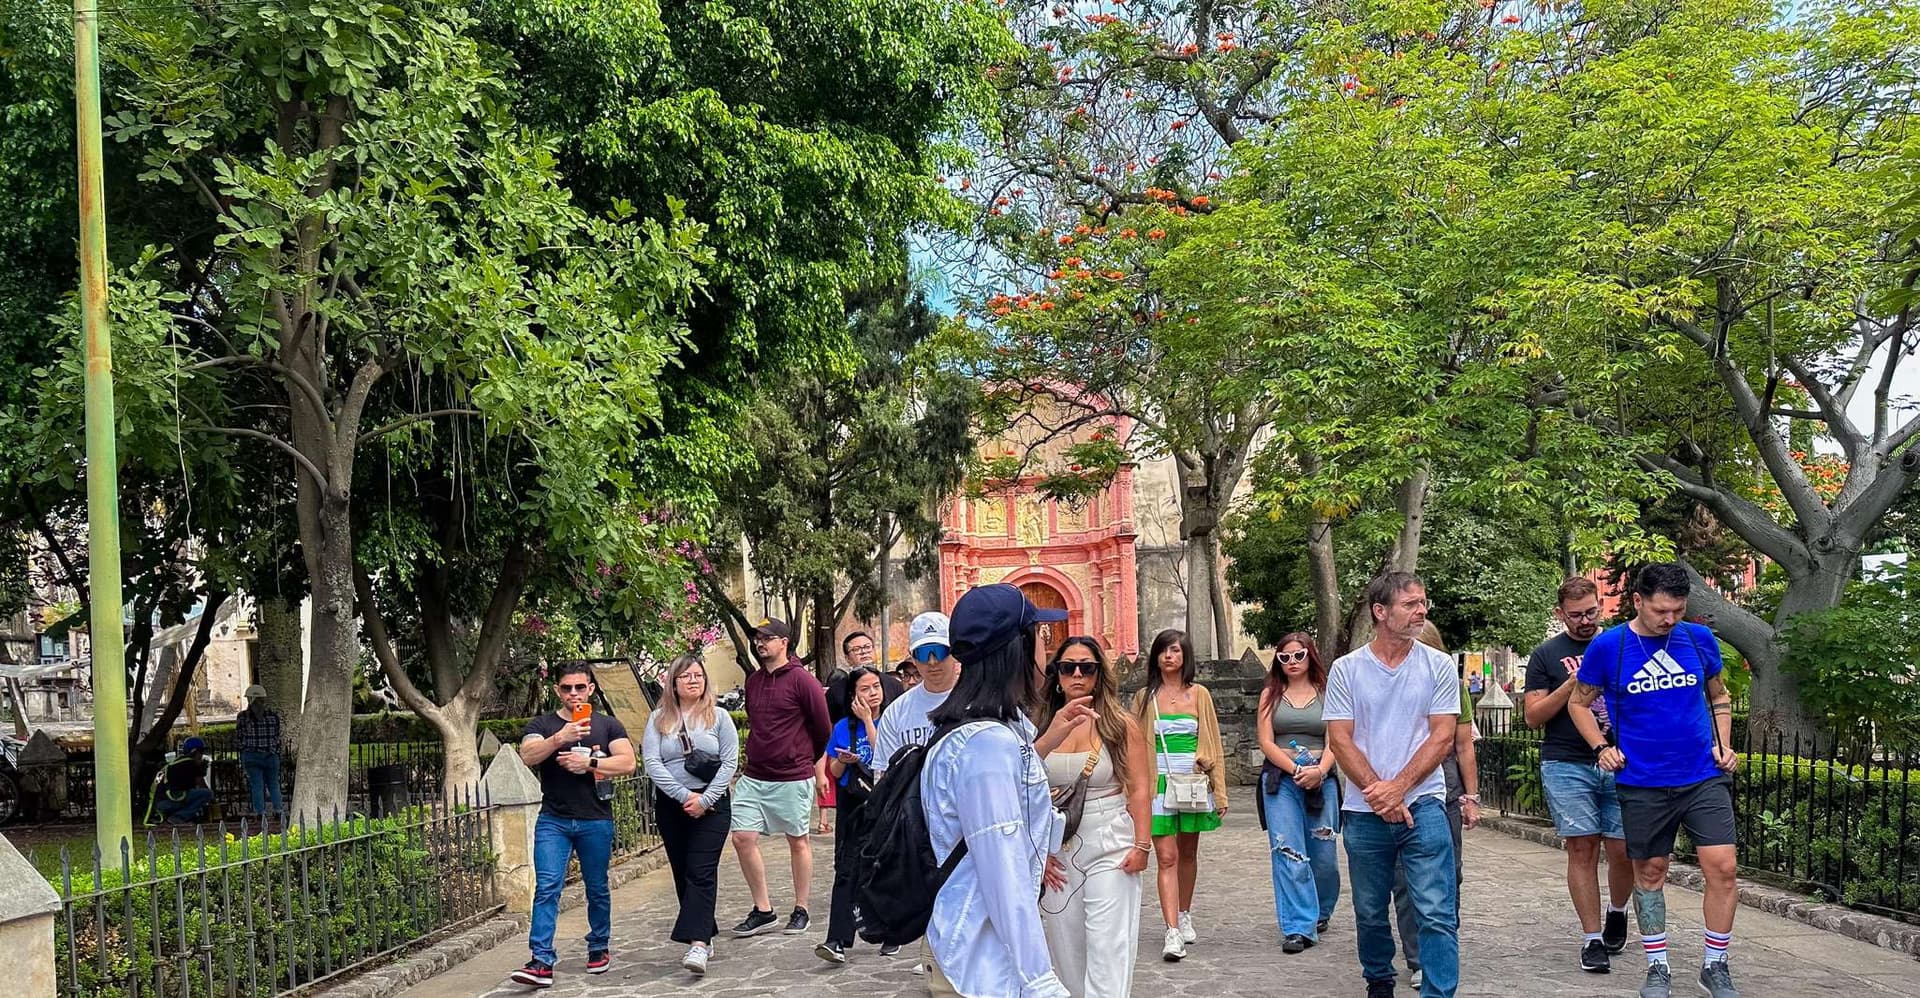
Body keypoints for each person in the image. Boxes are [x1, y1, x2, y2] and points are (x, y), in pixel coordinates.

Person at [1570, 563, 1741, 998]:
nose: (1669, 620)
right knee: (1650, 871)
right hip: (1643, 780)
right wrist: (1600, 747)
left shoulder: (1698, 640)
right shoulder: (1611, 647)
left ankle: (1715, 964)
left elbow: (1719, 697)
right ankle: (1658, 966)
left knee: (1723, 867)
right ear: (1638, 601)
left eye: (1678, 610)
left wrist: (1724, 744)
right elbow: (1578, 703)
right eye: (1661, 611)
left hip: (1703, 774)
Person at [921, 583, 1070, 997]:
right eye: (1042, 637)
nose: (1048, 652)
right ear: (1018, 649)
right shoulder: (986, 746)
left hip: (987, 951)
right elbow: (1003, 869)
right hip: (981, 963)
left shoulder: (993, 733)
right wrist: (1040, 981)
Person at [1325, 571, 1461, 998]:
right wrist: (1378, 792)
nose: (1421, 611)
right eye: (1410, 604)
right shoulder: (1347, 670)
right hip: (1363, 811)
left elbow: (1442, 736)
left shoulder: (1438, 665)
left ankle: (1438, 992)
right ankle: (1379, 981)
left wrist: (1398, 788)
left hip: (1423, 805)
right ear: (1380, 612)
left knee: (1437, 910)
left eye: (1423, 603)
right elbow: (1340, 739)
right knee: (1369, 911)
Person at [1033, 637, 1152, 997]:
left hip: (1109, 837)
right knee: (1064, 948)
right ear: (1057, 676)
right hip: (1056, 845)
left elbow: (1141, 787)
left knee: (1107, 945)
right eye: (1068, 668)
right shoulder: (1040, 723)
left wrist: (1142, 844)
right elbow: (1022, 780)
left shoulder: (1119, 724)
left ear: (1100, 674)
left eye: (1088, 667)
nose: (1078, 675)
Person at [1525, 576, 1633, 974]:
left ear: (1600, 605)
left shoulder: (1623, 644)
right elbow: (1533, 717)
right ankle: (1591, 939)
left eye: (1591, 611)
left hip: (1623, 760)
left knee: (1623, 849)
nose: (1585, 621)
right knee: (1582, 849)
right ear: (1560, 614)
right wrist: (1574, 681)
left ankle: (1617, 911)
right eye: (1575, 615)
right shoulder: (1546, 655)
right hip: (1567, 762)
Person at [509, 664, 638, 988]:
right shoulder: (544, 724)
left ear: (591, 689)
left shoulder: (608, 725)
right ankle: (541, 960)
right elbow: (527, 754)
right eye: (567, 688)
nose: (574, 694)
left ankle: (598, 946)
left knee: (596, 887)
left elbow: (628, 762)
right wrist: (560, 738)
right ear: (557, 690)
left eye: (580, 687)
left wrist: (590, 763)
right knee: (548, 887)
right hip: (553, 819)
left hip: (595, 819)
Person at [1392, 623, 1482, 988]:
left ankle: (1443, 944)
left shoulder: (1453, 687)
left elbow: (1464, 746)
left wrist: (1471, 798)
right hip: (1400, 788)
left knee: (1449, 874)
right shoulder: (1387, 683)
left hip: (1445, 789)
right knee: (1404, 878)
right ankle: (1419, 958)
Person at [730, 618, 832, 938]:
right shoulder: (753, 681)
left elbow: (823, 730)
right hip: (754, 776)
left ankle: (801, 908)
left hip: (792, 776)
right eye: (757, 639)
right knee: (742, 838)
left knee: (797, 841)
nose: (760, 644)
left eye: (766, 638)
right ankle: (764, 910)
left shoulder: (804, 681)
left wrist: (802, 760)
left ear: (784, 642)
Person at [640, 655, 739, 977]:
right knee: (683, 871)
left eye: (698, 675)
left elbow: (729, 762)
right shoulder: (658, 719)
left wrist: (706, 799)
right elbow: (652, 762)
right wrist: (684, 796)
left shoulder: (720, 717)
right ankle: (705, 930)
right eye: (686, 676)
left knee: (700, 870)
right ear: (673, 683)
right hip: (673, 805)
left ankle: (697, 944)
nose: (693, 680)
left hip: (712, 806)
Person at [1134, 628, 1227, 961]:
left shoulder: (1199, 694)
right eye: (1163, 651)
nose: (1168, 656)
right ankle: (1171, 930)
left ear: (1185, 656)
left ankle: (1184, 912)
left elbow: (1213, 742)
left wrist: (1221, 791)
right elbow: (1134, 745)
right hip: (1158, 781)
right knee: (1167, 856)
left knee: (1188, 853)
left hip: (1192, 782)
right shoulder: (1144, 697)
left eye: (1174, 650)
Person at [1255, 632, 1340, 954]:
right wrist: (1296, 770)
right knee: (1288, 850)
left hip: (1323, 777)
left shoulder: (1327, 692)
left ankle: (1320, 909)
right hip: (1282, 779)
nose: (1292, 662)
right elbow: (1266, 741)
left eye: (1298, 655)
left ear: (1310, 656)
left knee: (1324, 854)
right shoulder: (1270, 695)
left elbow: (1337, 740)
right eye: (1284, 657)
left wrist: (1319, 771)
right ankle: (1298, 925)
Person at [816, 667, 886, 965]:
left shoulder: (891, 720)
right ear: (852, 695)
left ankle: (888, 929)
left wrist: (870, 720)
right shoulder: (843, 726)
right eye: (865, 689)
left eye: (876, 686)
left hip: (884, 803)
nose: (872, 693)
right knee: (846, 869)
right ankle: (837, 940)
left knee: (883, 868)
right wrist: (844, 761)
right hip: (853, 804)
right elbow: (833, 771)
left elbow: (884, 754)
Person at [872, 611, 957, 775]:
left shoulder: (979, 701)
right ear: (913, 657)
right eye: (924, 654)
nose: (933, 661)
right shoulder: (896, 713)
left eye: (939, 651)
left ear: (954, 651)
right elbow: (886, 775)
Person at [236, 684, 284, 822]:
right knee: (274, 783)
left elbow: (239, 737)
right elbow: (277, 735)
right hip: (270, 754)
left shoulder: (243, 717)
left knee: (256, 784)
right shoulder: (273, 717)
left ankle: (260, 812)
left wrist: (244, 749)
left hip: (252, 755)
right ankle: (278, 810)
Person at [155, 737, 214, 825]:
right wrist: (213, 800)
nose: (202, 755)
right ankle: (179, 817)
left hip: (160, 803)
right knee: (207, 794)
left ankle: (177, 816)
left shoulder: (177, 762)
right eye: (201, 752)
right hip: (170, 802)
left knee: (191, 795)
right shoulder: (191, 764)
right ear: (195, 752)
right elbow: (201, 784)